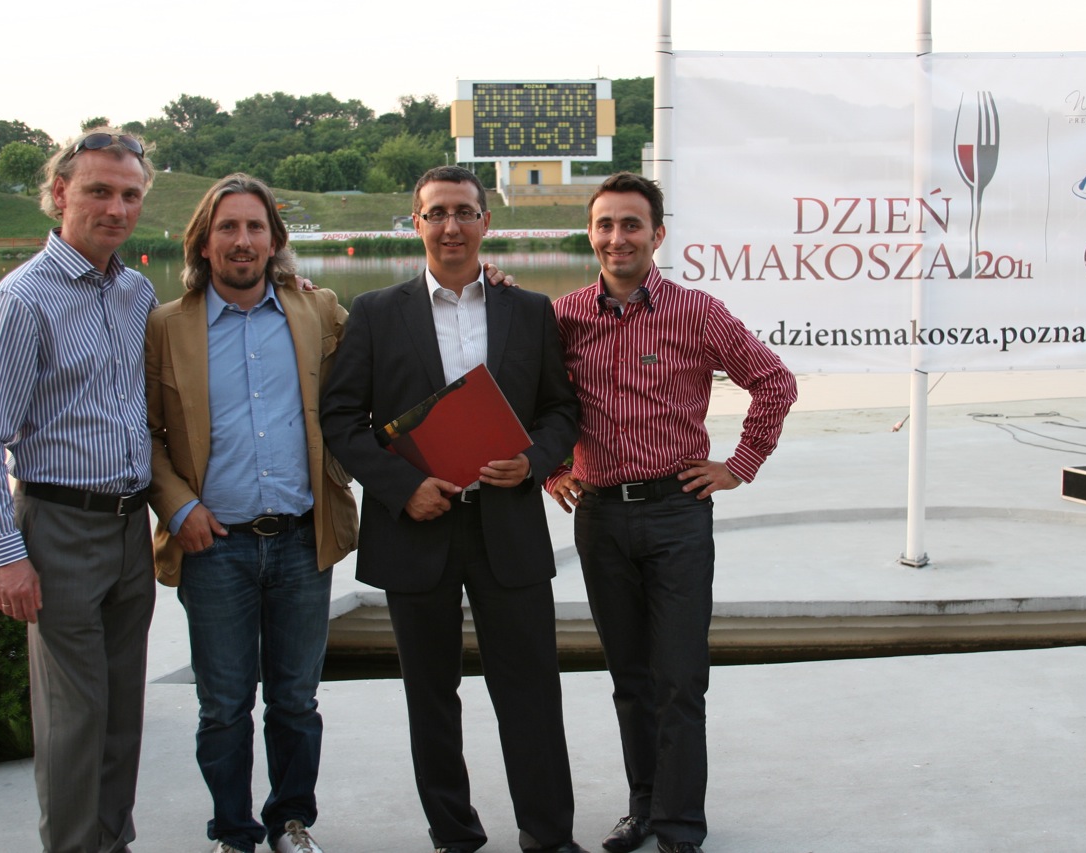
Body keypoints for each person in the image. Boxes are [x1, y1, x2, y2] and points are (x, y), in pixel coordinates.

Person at [320, 166, 587, 853]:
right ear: (415, 222)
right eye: (436, 212)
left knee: (531, 690)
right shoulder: (376, 312)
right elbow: (342, 418)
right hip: (418, 526)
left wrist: (534, 461)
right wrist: (400, 486)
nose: (451, 226)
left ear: (486, 222)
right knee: (431, 697)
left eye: (465, 211)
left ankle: (548, 835)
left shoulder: (529, 309)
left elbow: (561, 409)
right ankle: (454, 836)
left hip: (508, 524)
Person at [545, 172, 797, 853]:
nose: (617, 237)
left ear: (657, 235)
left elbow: (774, 381)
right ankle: (644, 808)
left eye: (631, 224)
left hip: (676, 514)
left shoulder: (697, 313)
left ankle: (681, 824)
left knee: (680, 678)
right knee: (630, 677)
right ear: (590, 234)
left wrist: (739, 464)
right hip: (600, 517)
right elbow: (531, 399)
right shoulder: (563, 317)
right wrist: (552, 468)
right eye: (605, 225)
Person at [0, 128, 158, 852]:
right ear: (61, 193)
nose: (116, 208)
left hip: (129, 527)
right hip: (60, 526)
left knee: (122, 713)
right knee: (74, 718)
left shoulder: (135, 292)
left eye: (130, 194)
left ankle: (112, 841)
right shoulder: (23, 300)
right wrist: (5, 555)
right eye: (99, 191)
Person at [144, 174, 359, 853]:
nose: (242, 241)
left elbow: (388, 358)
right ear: (204, 243)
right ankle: (233, 833)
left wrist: (487, 282)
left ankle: (290, 822)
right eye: (228, 228)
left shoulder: (318, 309)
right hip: (213, 546)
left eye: (255, 227)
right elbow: (144, 433)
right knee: (223, 705)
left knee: (295, 700)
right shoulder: (165, 326)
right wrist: (178, 506)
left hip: (301, 540)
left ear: (274, 241)